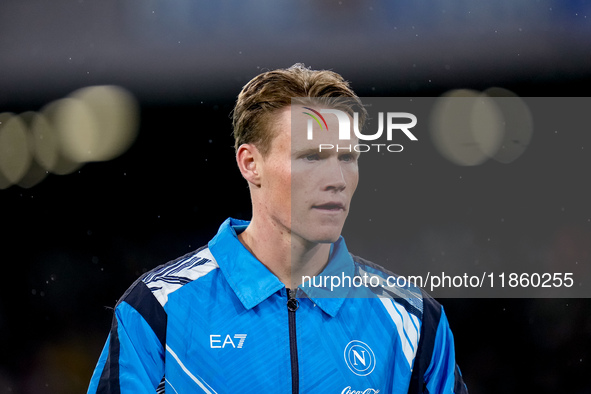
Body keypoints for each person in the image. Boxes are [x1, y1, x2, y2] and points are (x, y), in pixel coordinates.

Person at [87, 64, 468, 393]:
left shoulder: (413, 320)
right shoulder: (158, 308)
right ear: (251, 163)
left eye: (348, 157)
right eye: (311, 157)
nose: (336, 179)